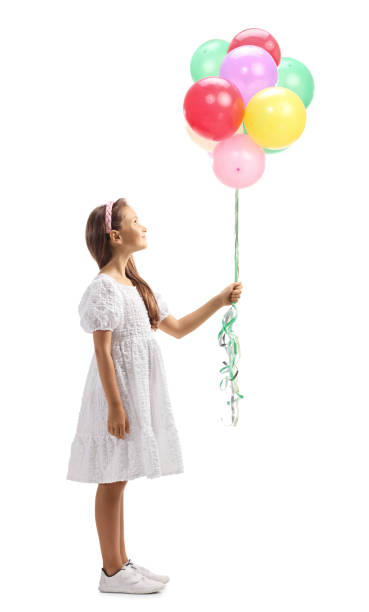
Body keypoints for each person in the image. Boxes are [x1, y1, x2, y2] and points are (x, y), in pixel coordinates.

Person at [66, 197, 243, 594]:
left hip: (136, 391)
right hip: (117, 393)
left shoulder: (138, 286)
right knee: (112, 478)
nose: (143, 226)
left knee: (120, 477)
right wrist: (114, 404)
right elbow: (102, 350)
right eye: (135, 221)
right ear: (115, 236)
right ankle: (112, 571)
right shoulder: (104, 289)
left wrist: (219, 300)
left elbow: (177, 328)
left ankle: (119, 561)